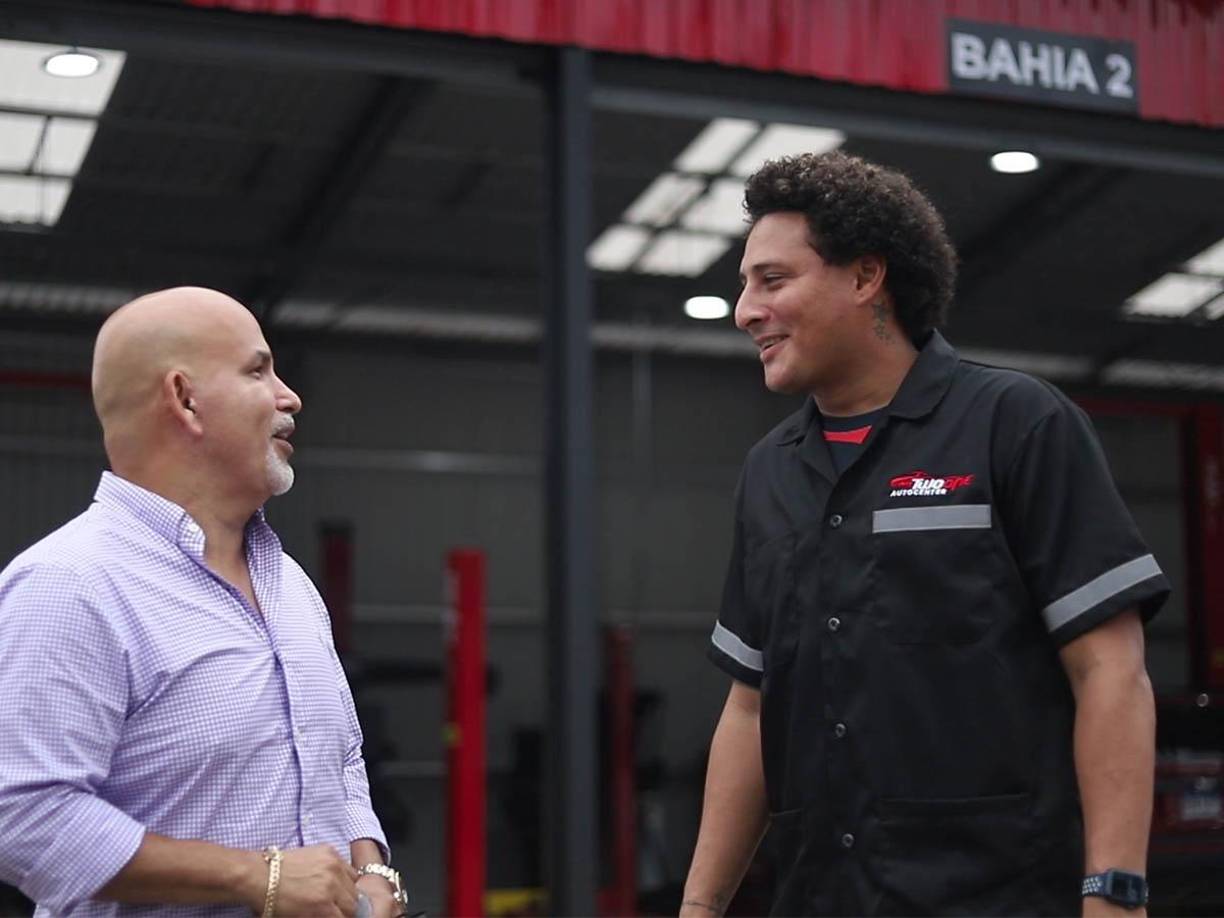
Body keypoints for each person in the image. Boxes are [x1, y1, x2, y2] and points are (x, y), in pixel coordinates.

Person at [681, 153, 1169, 917]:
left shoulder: (1015, 425)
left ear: (866, 277)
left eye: (772, 281)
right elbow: (751, 706)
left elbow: (1109, 671)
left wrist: (1114, 892)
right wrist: (700, 908)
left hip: (999, 896)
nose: (746, 310)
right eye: (746, 286)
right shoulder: (769, 474)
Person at [0, 287, 410, 918]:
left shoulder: (291, 586)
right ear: (184, 399)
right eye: (258, 370)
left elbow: (340, 757)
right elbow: (25, 815)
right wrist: (255, 877)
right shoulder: (71, 585)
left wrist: (372, 870)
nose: (289, 396)